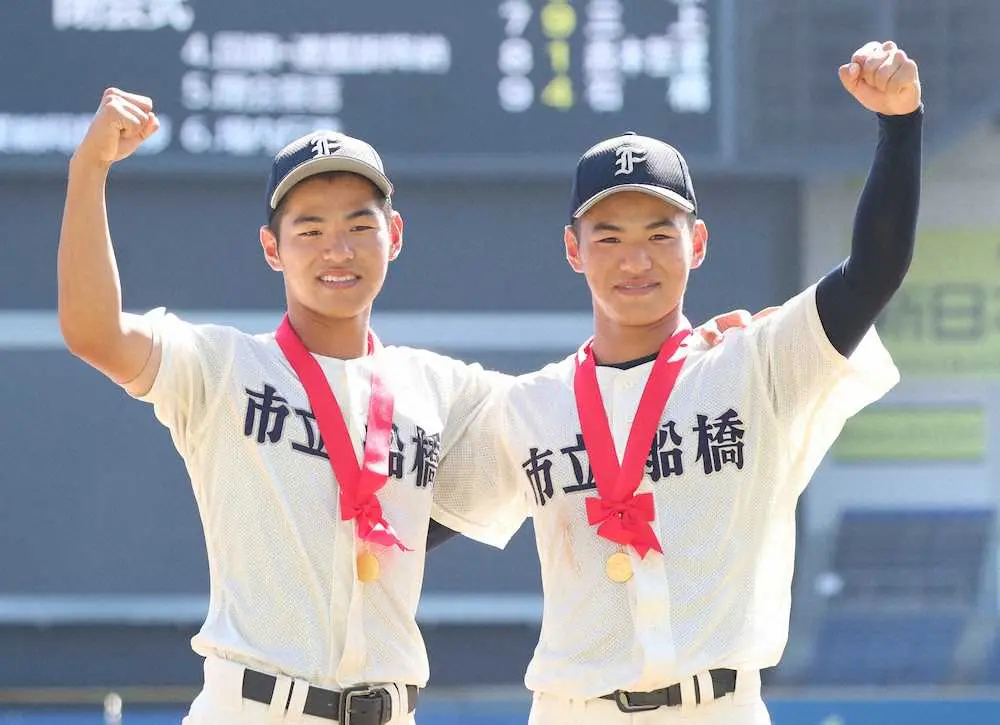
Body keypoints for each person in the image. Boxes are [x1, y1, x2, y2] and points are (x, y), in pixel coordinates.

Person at [56, 88, 755, 724]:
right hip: (251, 706)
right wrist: (89, 170)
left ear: (394, 235)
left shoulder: (439, 389)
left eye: (360, 225)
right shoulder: (223, 367)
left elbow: (583, 409)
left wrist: (690, 352)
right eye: (309, 229)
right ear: (272, 247)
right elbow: (94, 331)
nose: (338, 247)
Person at [430, 40, 922, 724]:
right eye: (609, 237)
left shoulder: (753, 366)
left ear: (698, 242)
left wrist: (900, 125)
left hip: (716, 705)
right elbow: (411, 525)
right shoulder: (531, 405)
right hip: (574, 710)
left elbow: (871, 273)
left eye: (661, 234)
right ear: (573, 248)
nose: (637, 259)